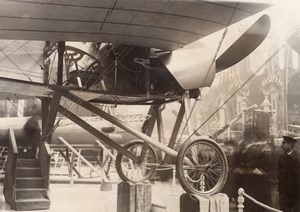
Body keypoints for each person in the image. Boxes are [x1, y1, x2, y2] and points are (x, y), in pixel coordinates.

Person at [278, 135, 300, 212]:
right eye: (282, 142)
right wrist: (280, 190)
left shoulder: (297, 158)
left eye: (284, 143)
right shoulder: (281, 157)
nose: (282, 145)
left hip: (295, 193)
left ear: (290, 144)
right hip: (284, 192)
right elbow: (280, 173)